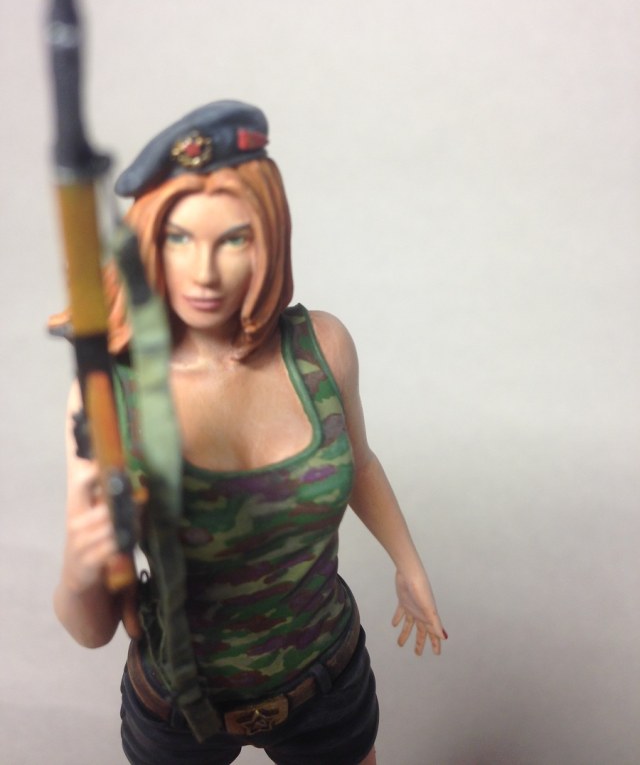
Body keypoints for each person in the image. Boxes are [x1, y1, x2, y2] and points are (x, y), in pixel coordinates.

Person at [53, 100, 447, 765]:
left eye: (232, 239)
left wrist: (408, 564)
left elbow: (361, 463)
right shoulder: (109, 399)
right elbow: (93, 628)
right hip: (180, 704)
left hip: (325, 680)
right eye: (181, 239)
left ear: (267, 238)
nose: (205, 271)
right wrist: (80, 565)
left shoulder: (322, 347)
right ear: (149, 244)